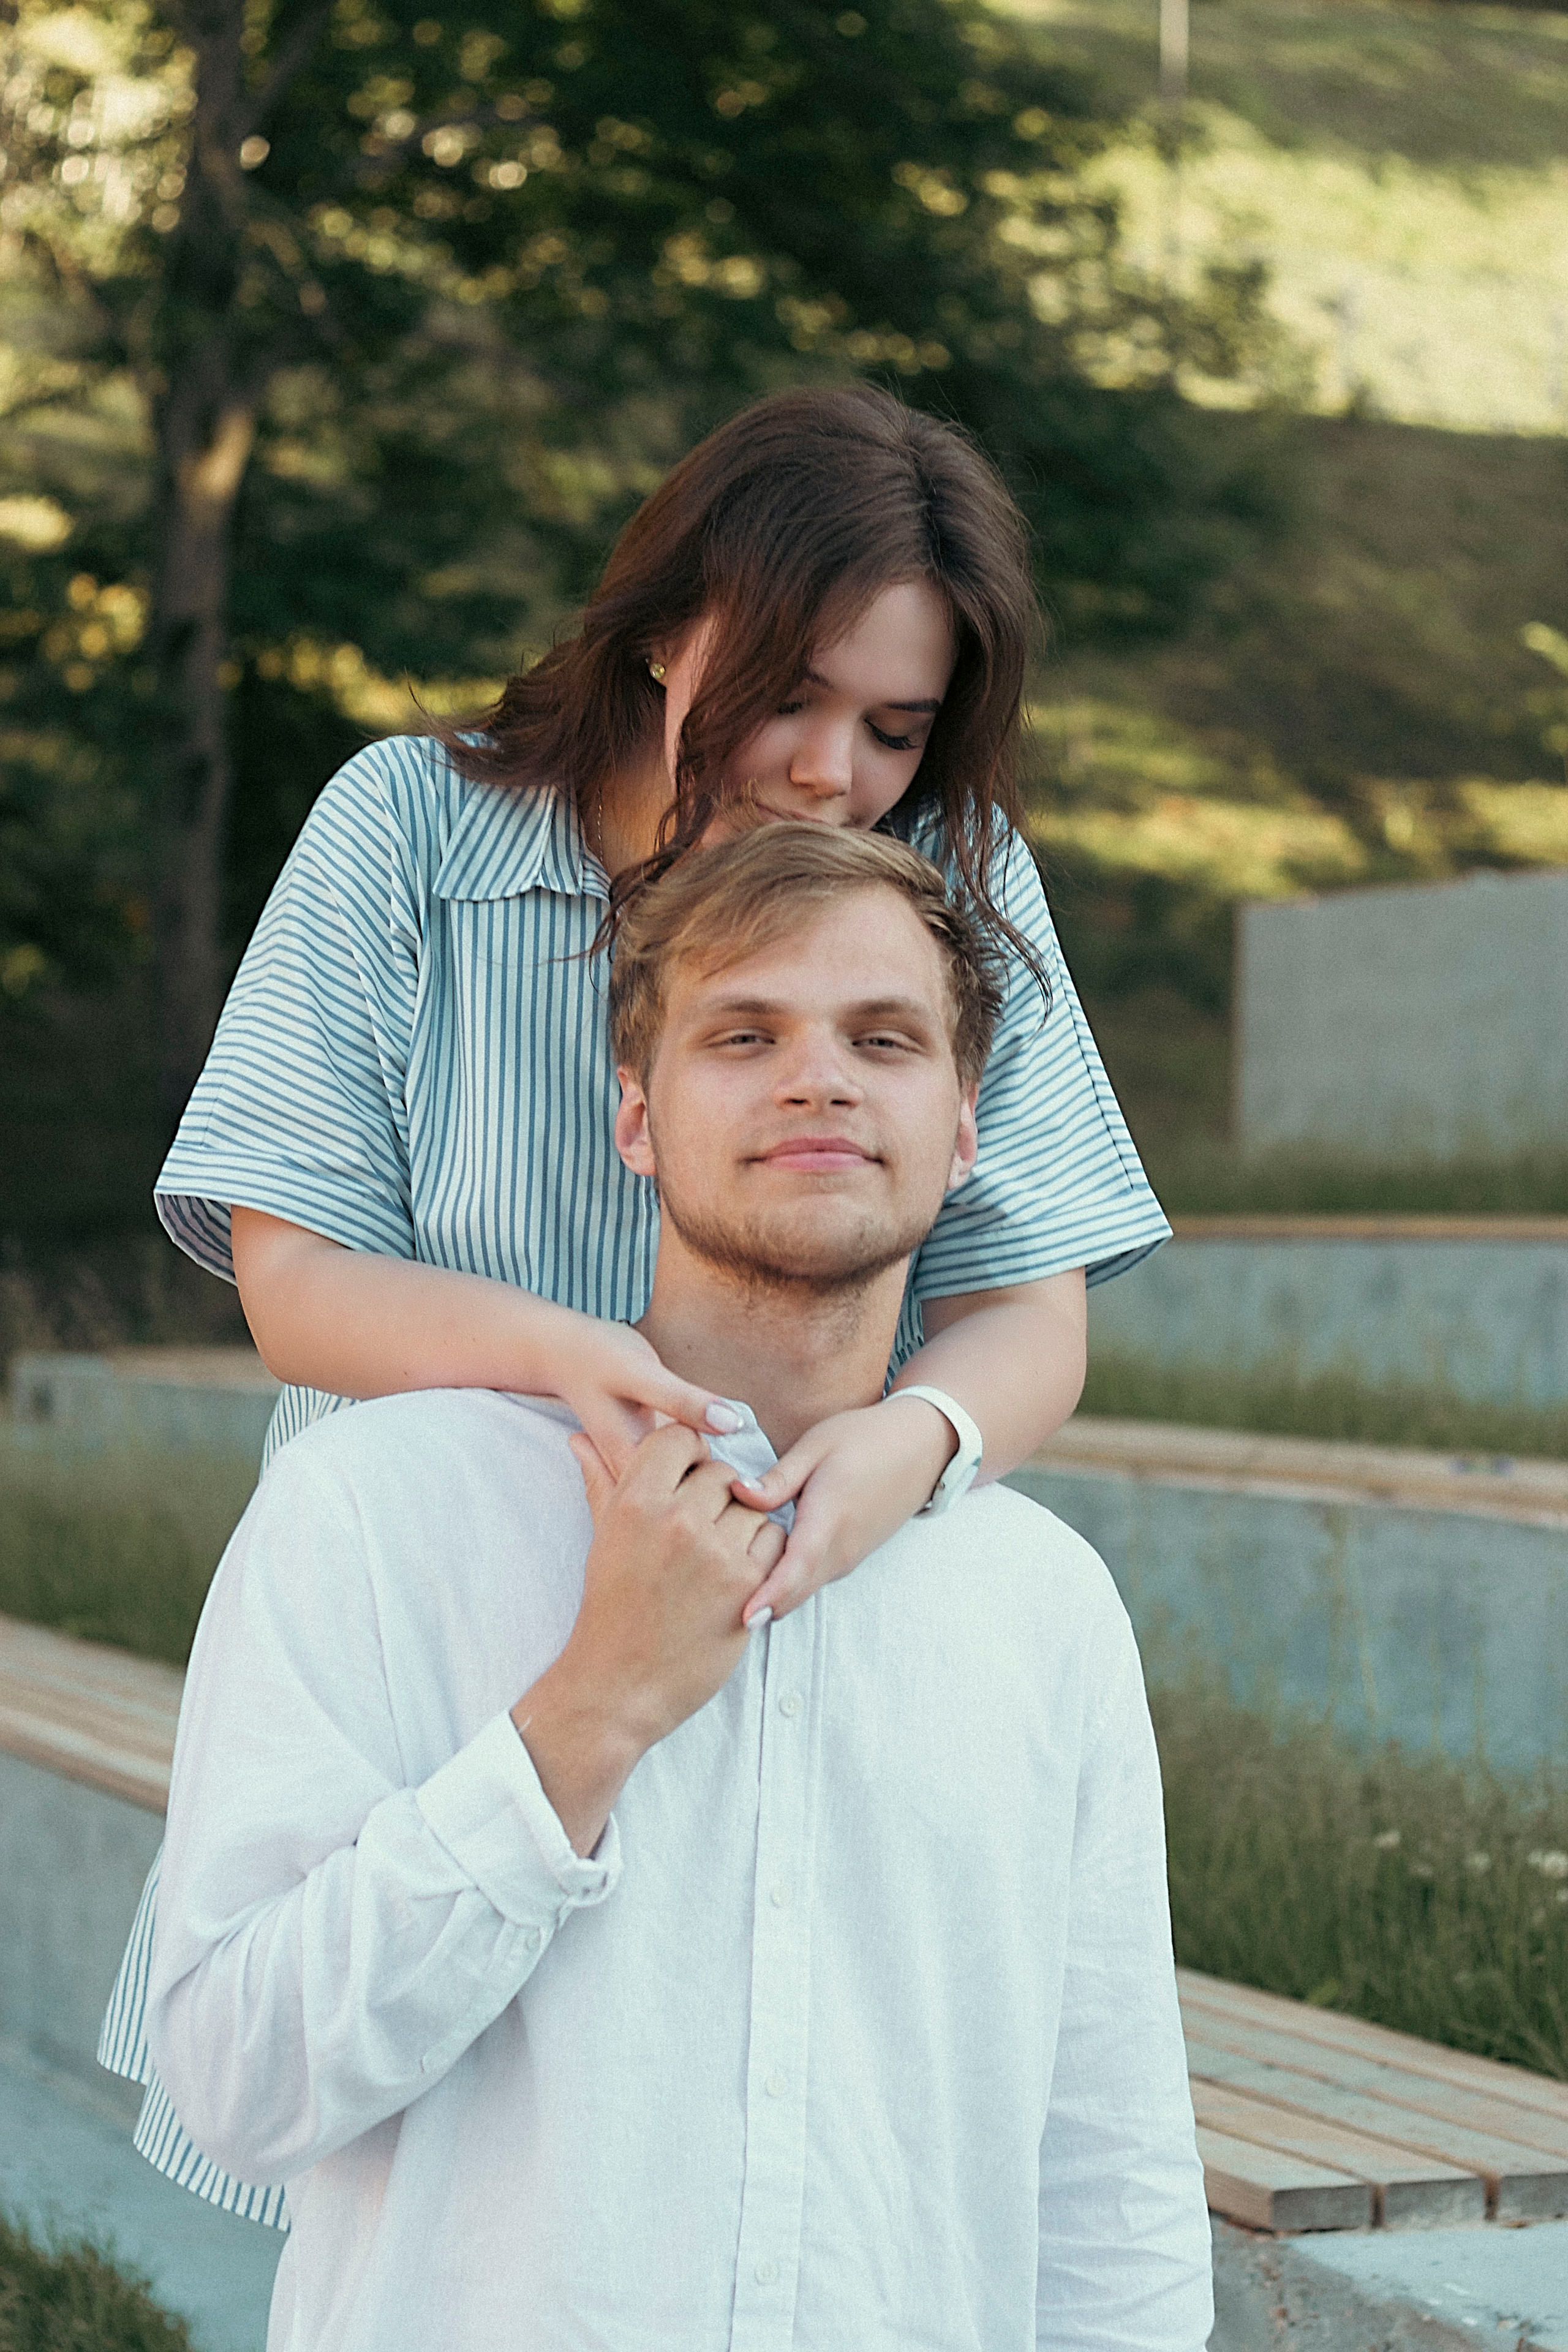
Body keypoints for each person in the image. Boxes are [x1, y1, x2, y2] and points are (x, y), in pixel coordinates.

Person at [102, 385, 1171, 2219]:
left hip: (803, 1613)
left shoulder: (958, 882)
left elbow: (1031, 1311)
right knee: (417, 2206)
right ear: (670, 629)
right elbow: (294, 1281)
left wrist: (910, 1450)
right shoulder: (410, 832)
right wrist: (584, 1367)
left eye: (896, 729)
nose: (834, 772)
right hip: (444, 1623)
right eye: (789, 695)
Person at [148, 826, 1213, 2351]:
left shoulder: (1041, 1605)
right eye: (745, 1034)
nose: (820, 1079)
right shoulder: (376, 1510)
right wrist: (588, 1716)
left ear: (966, 1125)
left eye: (883, 1039)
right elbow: (236, 2087)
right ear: (636, 1119)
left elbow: (1108, 2184)